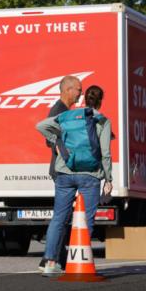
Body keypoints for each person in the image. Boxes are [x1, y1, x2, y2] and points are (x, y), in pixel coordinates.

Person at [35, 83, 113, 276]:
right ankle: (79, 261)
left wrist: (57, 141)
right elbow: (105, 153)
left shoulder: (68, 116)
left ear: (84, 99)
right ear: (100, 101)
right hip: (90, 175)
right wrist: (108, 179)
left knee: (58, 218)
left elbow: (40, 126)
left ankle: (50, 262)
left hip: (64, 173)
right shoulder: (102, 120)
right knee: (85, 220)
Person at [36, 75, 83, 271]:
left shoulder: (65, 111)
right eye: (78, 89)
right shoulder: (58, 111)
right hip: (62, 170)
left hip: (65, 170)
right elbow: (50, 140)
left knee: (63, 217)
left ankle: (58, 258)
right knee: (61, 217)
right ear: (67, 90)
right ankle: (49, 259)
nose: (80, 93)